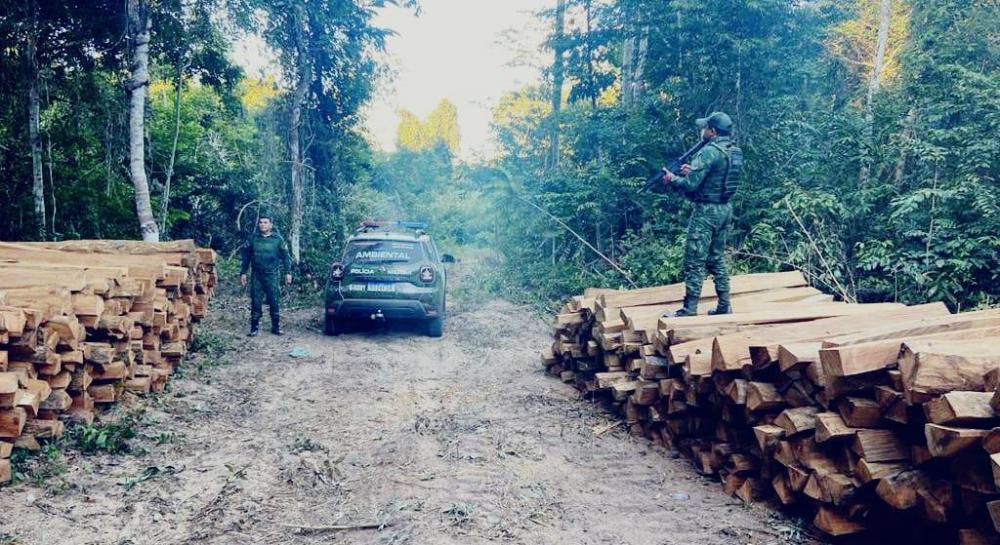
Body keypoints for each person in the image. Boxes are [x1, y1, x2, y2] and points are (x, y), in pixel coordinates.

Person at [660, 111, 743, 317]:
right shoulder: (733, 151)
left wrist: (672, 179)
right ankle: (724, 306)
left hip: (707, 212)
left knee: (694, 260)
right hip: (725, 209)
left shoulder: (709, 152)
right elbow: (718, 177)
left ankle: (689, 310)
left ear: (712, 131)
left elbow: (689, 186)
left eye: (705, 127)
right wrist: (693, 171)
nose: (702, 130)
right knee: (716, 258)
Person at [240, 216, 293, 336]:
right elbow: (246, 257)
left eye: (265, 222)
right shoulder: (253, 239)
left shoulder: (277, 239)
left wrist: (288, 273)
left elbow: (286, 257)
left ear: (270, 225)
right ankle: (254, 328)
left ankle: (276, 327)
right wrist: (243, 273)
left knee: (274, 301)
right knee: (256, 301)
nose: (262, 225)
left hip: (272, 275)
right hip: (257, 275)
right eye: (260, 222)